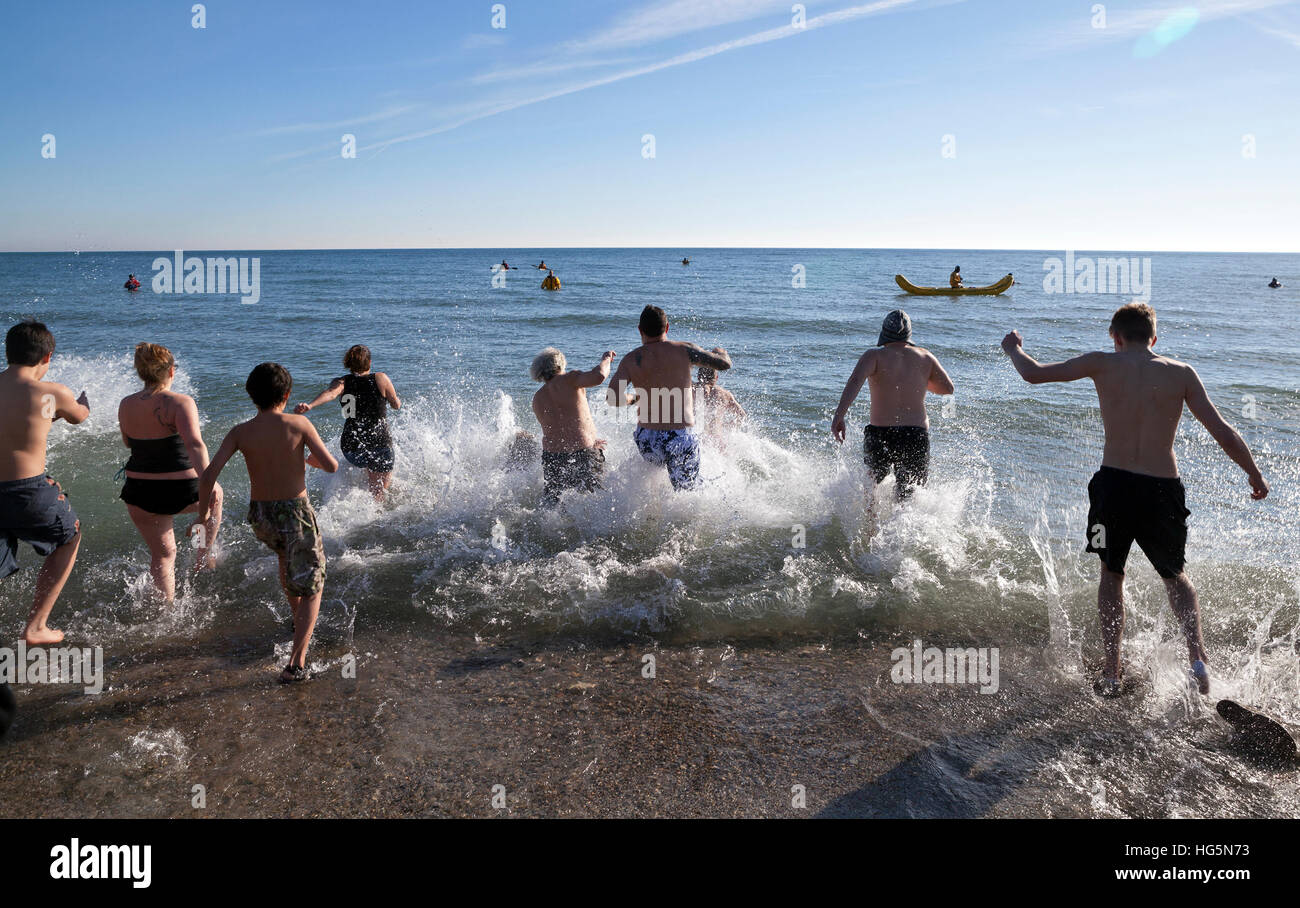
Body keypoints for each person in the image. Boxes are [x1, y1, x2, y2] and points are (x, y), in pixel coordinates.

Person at [1001, 302, 1269, 698]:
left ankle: (1112, 670)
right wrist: (1253, 472)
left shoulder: (1103, 363)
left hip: (1113, 487)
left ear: (1116, 337)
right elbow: (1222, 430)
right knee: (1175, 575)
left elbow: (1033, 374)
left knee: (1111, 573)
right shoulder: (1181, 373)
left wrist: (1013, 347)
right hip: (1164, 488)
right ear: (1154, 338)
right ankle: (1198, 659)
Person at [198, 363, 339, 683]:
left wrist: (203, 515)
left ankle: (296, 620)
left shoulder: (240, 431)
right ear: (287, 395)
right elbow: (330, 466)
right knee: (314, 586)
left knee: (285, 560)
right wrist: (306, 459)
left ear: (252, 396)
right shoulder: (299, 424)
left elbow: (209, 474)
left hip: (261, 516)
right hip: (294, 514)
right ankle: (296, 664)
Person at [0, 321, 89, 644]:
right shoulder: (51, 392)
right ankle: (36, 626)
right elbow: (78, 415)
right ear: (47, 357)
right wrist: (83, 401)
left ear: (7, 352)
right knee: (70, 535)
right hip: (27, 491)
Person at [117, 343, 223, 601]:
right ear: (171, 371)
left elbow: (128, 443)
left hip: (139, 493)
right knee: (216, 496)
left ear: (140, 373)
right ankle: (201, 556)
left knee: (163, 556)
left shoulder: (126, 404)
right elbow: (195, 445)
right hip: (184, 491)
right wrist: (209, 483)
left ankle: (166, 613)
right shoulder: (181, 402)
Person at [831, 310, 953, 505]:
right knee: (909, 494)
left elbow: (855, 382)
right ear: (909, 335)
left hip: (880, 433)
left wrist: (839, 415)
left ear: (884, 333)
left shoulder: (874, 356)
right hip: (915, 434)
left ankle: (870, 532)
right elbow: (948, 388)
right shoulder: (925, 357)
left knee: (871, 487)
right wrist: (921, 381)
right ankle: (902, 532)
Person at [605, 305, 732, 491]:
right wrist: (721, 352)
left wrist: (634, 399)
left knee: (653, 484)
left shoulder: (631, 359)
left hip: (647, 439)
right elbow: (724, 364)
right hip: (679, 436)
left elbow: (612, 397)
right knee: (688, 492)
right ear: (667, 328)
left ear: (640, 330)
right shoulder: (684, 350)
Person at [295, 345, 401, 501]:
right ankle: (375, 518)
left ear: (348, 364)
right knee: (378, 492)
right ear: (369, 362)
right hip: (380, 445)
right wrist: (395, 402)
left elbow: (330, 394)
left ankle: (331, 465)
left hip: (352, 448)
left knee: (366, 466)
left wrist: (310, 405)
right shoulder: (380, 378)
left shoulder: (342, 383)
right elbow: (396, 404)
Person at [531, 347, 615, 504]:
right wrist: (606, 359)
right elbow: (599, 376)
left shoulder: (537, 398)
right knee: (594, 502)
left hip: (552, 459)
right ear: (559, 365)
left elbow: (558, 429)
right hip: (583, 454)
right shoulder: (570, 379)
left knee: (555, 508)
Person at [693, 352, 746, 440]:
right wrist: (728, 428)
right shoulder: (725, 394)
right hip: (718, 440)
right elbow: (742, 415)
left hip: (697, 439)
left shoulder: (692, 390)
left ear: (699, 376)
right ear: (716, 377)